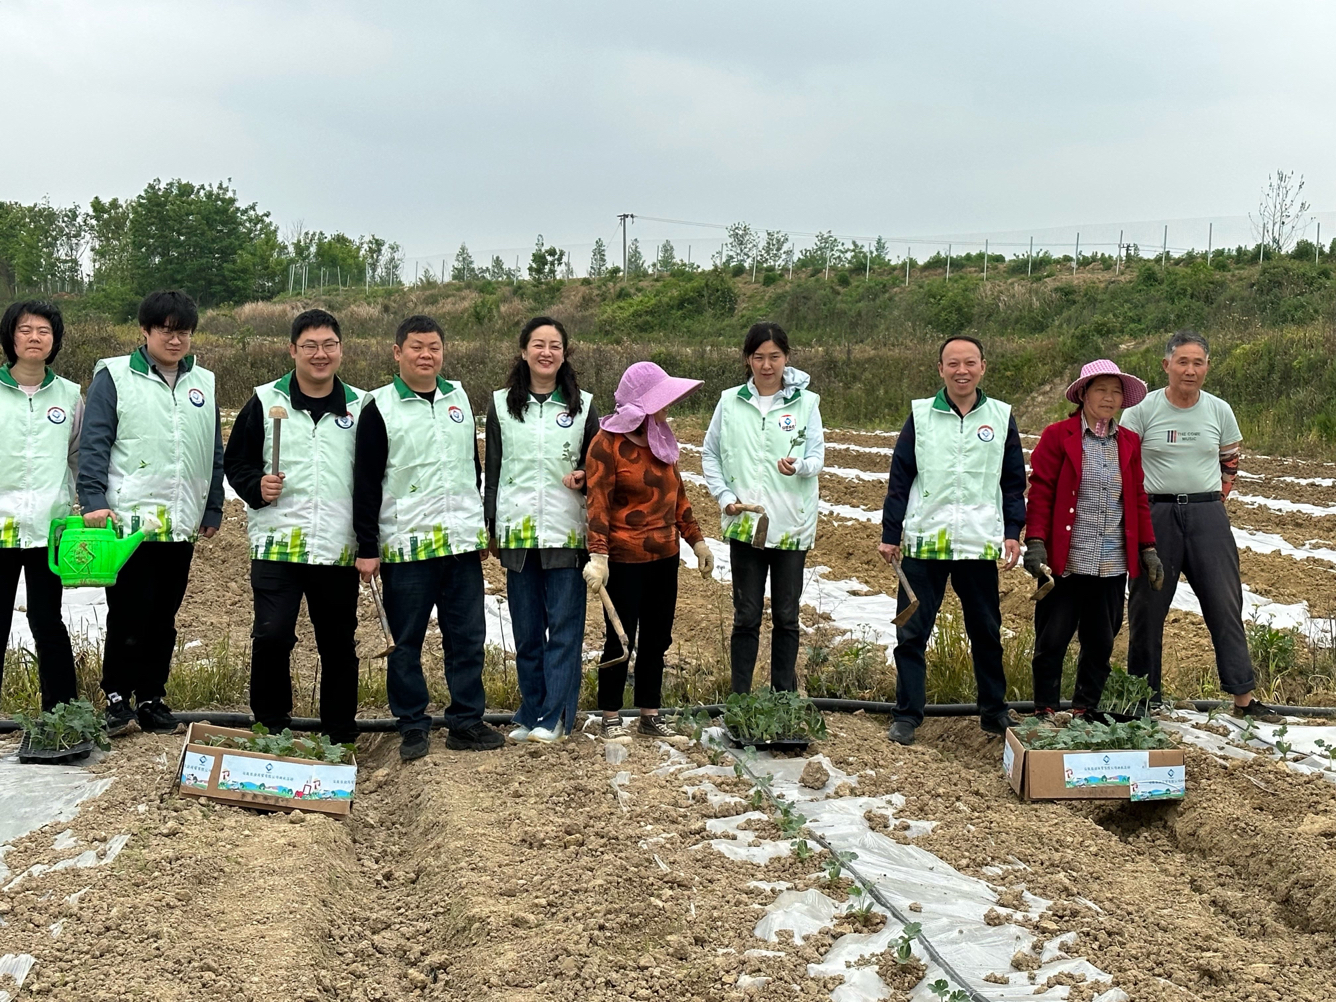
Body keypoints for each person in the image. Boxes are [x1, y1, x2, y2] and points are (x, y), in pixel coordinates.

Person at [353, 314, 503, 760]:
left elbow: (471, 467)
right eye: (416, 347)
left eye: (434, 347)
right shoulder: (379, 407)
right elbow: (366, 482)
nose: (426, 355)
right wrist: (367, 546)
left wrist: (478, 526)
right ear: (397, 353)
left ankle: (466, 721)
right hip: (407, 546)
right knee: (405, 642)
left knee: (467, 638)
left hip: (459, 546)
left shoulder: (458, 398)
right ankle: (413, 724)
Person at [78, 290, 224, 735]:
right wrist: (93, 500)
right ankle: (117, 697)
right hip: (129, 521)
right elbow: (95, 442)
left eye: (184, 332)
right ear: (144, 331)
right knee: (128, 612)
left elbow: (212, 449)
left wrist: (212, 505)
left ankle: (151, 697)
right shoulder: (115, 377)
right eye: (166, 330)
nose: (175, 340)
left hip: (180, 522)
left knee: (164, 616)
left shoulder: (203, 382)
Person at [878, 335, 1027, 745]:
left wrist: (1012, 532)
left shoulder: (1000, 416)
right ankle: (907, 715)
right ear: (941, 369)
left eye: (970, 363)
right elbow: (900, 476)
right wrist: (891, 533)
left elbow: (1013, 482)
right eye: (953, 364)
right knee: (912, 632)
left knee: (986, 631)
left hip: (977, 543)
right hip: (926, 541)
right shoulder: (921, 415)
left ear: (983, 367)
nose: (962, 371)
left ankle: (993, 712)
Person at [1122, 329, 1278, 719]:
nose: (1190, 370)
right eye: (1182, 362)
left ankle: (1244, 699)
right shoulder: (1142, 410)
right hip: (1156, 515)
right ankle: (1143, 700)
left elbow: (1230, 461)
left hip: (1207, 516)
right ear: (1166, 365)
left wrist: (1214, 501)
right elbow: (1126, 465)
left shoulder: (1219, 410)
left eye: (1198, 363)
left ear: (1207, 367)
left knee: (1224, 603)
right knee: (1147, 608)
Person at [224, 309, 363, 744]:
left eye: (329, 345)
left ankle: (339, 733)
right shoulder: (265, 402)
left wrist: (370, 540)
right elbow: (236, 461)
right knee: (273, 635)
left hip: (338, 545)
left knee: (338, 643)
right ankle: (271, 726)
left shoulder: (361, 407)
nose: (320, 355)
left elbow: (376, 474)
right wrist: (256, 486)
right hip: (278, 543)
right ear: (292, 350)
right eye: (310, 346)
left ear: (341, 349)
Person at [1024, 360, 1163, 719]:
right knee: (1053, 637)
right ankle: (1045, 709)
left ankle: (1085, 708)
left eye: (1116, 392)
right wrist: (1035, 541)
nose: (1109, 398)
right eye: (1101, 390)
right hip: (1067, 559)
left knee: (1101, 640)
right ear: (1083, 394)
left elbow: (1137, 498)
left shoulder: (1128, 441)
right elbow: (1041, 491)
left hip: (1111, 560)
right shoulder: (1058, 436)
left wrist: (1147, 549)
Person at [583, 361, 713, 740]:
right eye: (660, 400)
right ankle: (610, 715)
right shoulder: (607, 445)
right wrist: (599, 557)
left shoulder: (661, 438)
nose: (666, 407)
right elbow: (597, 505)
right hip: (624, 560)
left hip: (664, 557)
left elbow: (678, 497)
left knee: (657, 638)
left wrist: (697, 541)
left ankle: (649, 715)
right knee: (620, 638)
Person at [484, 316, 598, 744]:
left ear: (564, 355)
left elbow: (597, 467)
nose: (546, 352)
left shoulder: (582, 406)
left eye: (554, 346)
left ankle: (556, 717)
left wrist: (585, 475)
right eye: (538, 344)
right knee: (527, 632)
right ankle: (531, 712)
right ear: (523, 351)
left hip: (566, 531)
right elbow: (493, 468)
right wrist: (490, 524)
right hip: (517, 531)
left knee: (564, 631)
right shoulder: (501, 405)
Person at [701, 321, 824, 694]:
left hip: (790, 524)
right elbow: (710, 453)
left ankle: (782, 699)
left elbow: (817, 457)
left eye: (774, 357)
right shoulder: (730, 401)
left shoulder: (806, 403)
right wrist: (725, 497)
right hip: (747, 523)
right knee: (746, 615)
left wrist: (799, 466)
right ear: (747, 359)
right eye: (758, 357)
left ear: (787, 358)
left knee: (787, 616)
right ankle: (740, 700)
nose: (767, 365)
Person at [0, 301, 81, 712]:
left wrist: (71, 501)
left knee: (48, 621)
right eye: (25, 329)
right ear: (10, 337)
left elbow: (78, 456)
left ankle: (62, 714)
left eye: (44, 331)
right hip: (1, 527)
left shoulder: (70, 395)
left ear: (55, 340)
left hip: (50, 529)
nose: (35, 337)